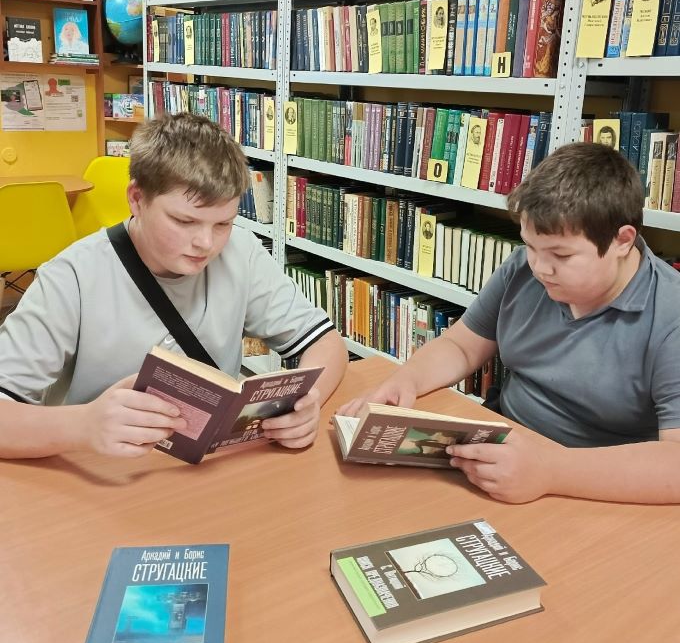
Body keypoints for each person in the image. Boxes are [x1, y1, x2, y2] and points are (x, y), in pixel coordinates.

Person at [339, 142, 680, 505]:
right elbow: (461, 346)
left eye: (561, 255)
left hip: (595, 486)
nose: (539, 268)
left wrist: (550, 471)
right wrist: (406, 380)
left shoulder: (670, 315)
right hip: (505, 451)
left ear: (622, 241)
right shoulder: (523, 268)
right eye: (530, 246)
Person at [0, 112, 348, 460]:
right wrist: (84, 426)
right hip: (98, 468)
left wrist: (306, 404)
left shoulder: (241, 250)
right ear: (136, 198)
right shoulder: (71, 277)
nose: (206, 244)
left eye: (223, 223)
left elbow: (324, 341)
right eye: (184, 221)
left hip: (205, 468)